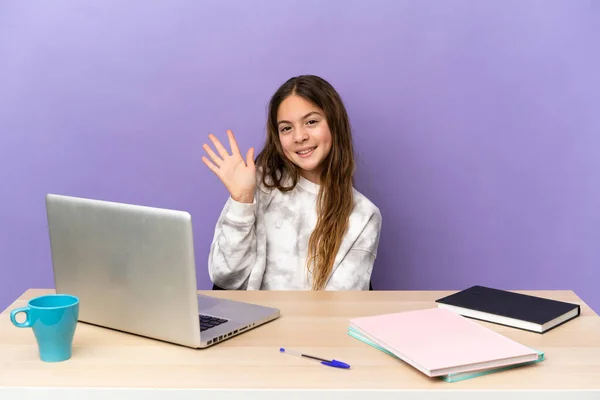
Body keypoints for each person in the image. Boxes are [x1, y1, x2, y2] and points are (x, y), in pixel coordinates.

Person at [201, 75, 382, 290]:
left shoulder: (363, 215)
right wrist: (241, 200)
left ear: (335, 124)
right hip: (253, 321)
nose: (299, 137)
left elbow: (340, 306)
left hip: (314, 324)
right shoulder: (257, 186)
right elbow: (225, 279)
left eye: (311, 122)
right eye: (286, 128)